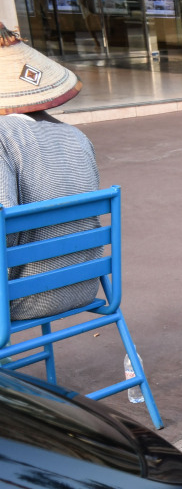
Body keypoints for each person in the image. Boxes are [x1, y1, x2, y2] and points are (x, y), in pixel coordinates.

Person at [0, 25, 103, 322]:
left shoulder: (4, 138)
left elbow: (4, 231)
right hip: (83, 285)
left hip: (23, 297)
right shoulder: (76, 136)